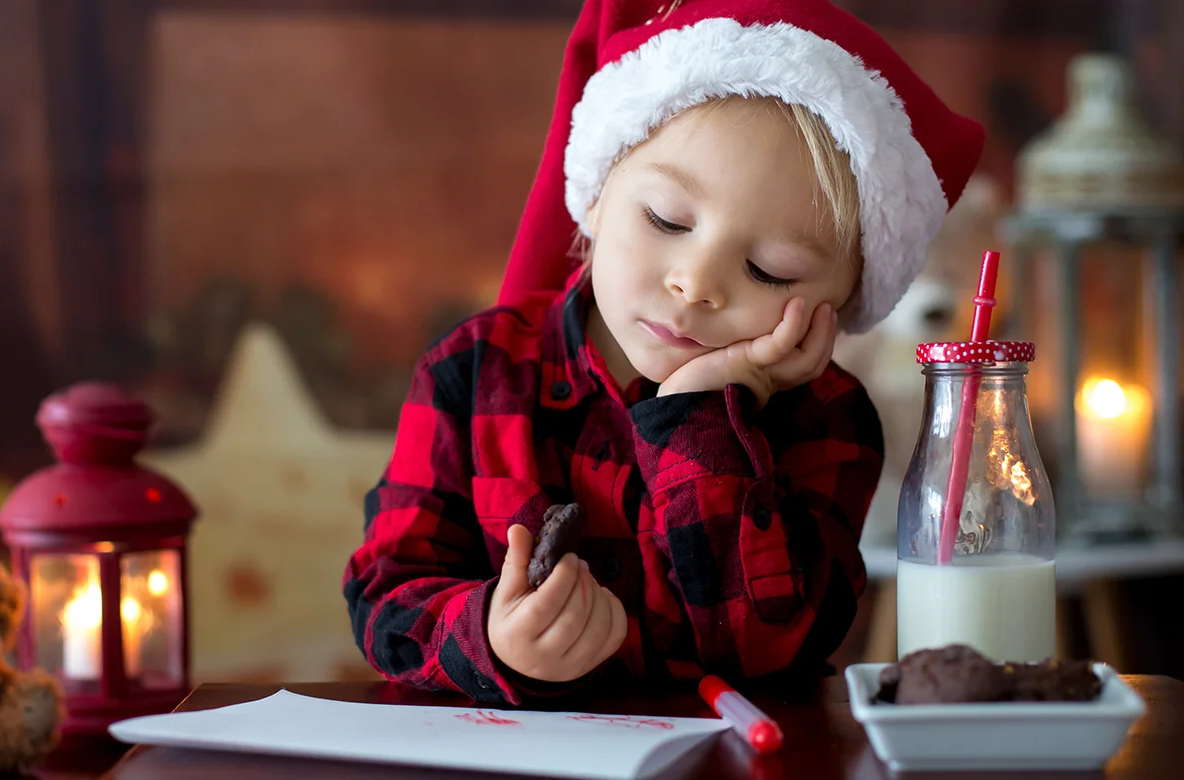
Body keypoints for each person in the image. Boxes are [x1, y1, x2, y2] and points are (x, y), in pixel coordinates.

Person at [344, 0, 984, 704]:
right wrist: (490, 641)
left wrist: (697, 411)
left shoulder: (824, 418)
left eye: (768, 270)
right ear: (593, 194)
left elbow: (773, 644)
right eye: (665, 220)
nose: (695, 283)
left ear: (838, 301)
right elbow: (386, 594)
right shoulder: (473, 372)